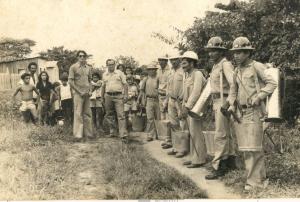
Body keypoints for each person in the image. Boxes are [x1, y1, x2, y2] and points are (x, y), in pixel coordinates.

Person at [229, 37, 277, 191]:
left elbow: (272, 83)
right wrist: (231, 104)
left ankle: (254, 183)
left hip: (255, 111)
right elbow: (233, 90)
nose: (236, 56)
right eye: (235, 53)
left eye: (240, 52)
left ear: (248, 53)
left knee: (253, 148)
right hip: (240, 112)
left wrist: (259, 97)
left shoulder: (256, 66)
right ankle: (258, 179)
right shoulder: (236, 70)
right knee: (246, 148)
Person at [204, 37, 237, 180]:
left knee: (220, 135)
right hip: (217, 100)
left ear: (221, 51)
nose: (211, 54)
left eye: (214, 51)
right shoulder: (215, 66)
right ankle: (229, 163)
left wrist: (228, 102)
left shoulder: (225, 64)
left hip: (224, 101)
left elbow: (233, 84)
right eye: (210, 51)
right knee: (226, 133)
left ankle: (218, 167)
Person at [181, 51, 207, 168]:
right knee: (191, 132)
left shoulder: (197, 74)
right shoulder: (188, 75)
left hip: (197, 107)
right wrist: (183, 105)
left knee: (196, 132)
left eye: (185, 63)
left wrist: (187, 106)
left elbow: (196, 92)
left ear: (192, 63)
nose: (183, 65)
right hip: (189, 107)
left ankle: (199, 159)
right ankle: (194, 157)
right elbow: (186, 93)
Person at [161, 53, 184, 157]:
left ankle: (183, 149)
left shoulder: (183, 71)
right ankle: (176, 147)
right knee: (174, 125)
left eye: (175, 60)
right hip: (171, 100)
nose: (173, 62)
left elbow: (186, 86)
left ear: (179, 60)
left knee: (182, 125)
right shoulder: (171, 72)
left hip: (180, 101)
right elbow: (168, 88)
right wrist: (166, 102)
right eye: (171, 60)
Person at [68, 50, 94, 141]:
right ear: (77, 57)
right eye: (80, 56)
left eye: (83, 56)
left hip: (87, 94)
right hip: (78, 94)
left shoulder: (88, 68)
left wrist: (90, 90)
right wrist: (79, 91)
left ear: (85, 57)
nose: (82, 57)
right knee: (78, 114)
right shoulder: (73, 67)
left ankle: (89, 134)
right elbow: (70, 82)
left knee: (87, 114)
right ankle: (78, 135)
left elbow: (90, 80)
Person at [102, 59, 129, 141]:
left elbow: (125, 84)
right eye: (109, 64)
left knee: (121, 115)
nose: (111, 66)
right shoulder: (105, 74)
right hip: (108, 96)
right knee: (109, 114)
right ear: (107, 65)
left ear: (114, 65)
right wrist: (102, 97)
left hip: (118, 95)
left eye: (112, 64)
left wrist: (126, 95)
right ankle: (113, 132)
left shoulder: (119, 73)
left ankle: (123, 134)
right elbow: (103, 86)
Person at [138, 63, 160, 141]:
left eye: (153, 69)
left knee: (158, 118)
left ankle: (159, 134)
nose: (152, 71)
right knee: (150, 118)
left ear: (156, 70)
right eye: (150, 69)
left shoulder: (158, 78)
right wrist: (140, 100)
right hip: (149, 100)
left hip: (157, 100)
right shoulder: (145, 79)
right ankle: (150, 135)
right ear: (148, 71)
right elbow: (141, 91)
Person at [157, 55, 172, 120]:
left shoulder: (170, 70)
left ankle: (169, 129)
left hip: (168, 94)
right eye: (159, 60)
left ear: (166, 61)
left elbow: (170, 84)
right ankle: (163, 128)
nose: (160, 62)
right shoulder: (158, 70)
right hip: (159, 94)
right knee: (162, 112)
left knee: (169, 112)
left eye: (162, 60)